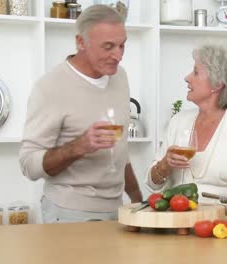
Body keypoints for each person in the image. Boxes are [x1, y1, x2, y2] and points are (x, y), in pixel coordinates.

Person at [19, 5, 142, 223]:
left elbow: (121, 149)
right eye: (108, 47)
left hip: (117, 209)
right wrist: (80, 146)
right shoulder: (50, 87)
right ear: (80, 42)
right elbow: (29, 164)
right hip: (69, 212)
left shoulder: (119, 77)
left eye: (122, 45)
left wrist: (137, 199)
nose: (118, 55)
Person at [145, 43, 227, 201]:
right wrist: (164, 165)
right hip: (175, 219)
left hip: (222, 223)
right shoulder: (179, 121)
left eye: (196, 73)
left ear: (217, 84)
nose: (187, 78)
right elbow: (152, 184)